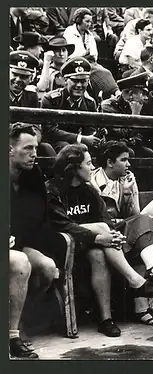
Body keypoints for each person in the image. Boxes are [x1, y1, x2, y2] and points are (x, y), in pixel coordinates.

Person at [45, 144, 153, 337]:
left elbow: (105, 219)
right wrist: (100, 236)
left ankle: (105, 319)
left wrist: (111, 235)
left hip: (90, 245)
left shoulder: (88, 191)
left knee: (99, 252)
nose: (93, 167)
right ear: (74, 168)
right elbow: (62, 225)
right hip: (62, 245)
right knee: (102, 232)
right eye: (88, 163)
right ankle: (136, 281)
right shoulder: (52, 191)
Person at [89, 141, 153, 326]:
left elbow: (135, 215)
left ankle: (152, 271)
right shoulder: (93, 181)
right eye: (124, 160)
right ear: (110, 162)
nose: (128, 165)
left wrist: (127, 194)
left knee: (144, 229)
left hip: (122, 229)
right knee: (142, 232)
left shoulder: (128, 180)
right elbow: (99, 217)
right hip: (100, 232)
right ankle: (143, 301)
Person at [9, 123, 60, 359]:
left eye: (36, 148)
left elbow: (39, 216)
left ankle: (19, 318)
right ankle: (12, 337)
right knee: (20, 263)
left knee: (48, 267)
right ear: (9, 149)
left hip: (18, 242)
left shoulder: (34, 175)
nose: (34, 154)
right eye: (28, 148)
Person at [41, 56, 102, 153]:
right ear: (65, 80)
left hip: (77, 144)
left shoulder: (89, 103)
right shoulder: (52, 99)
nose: (79, 85)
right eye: (75, 80)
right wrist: (81, 139)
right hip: (54, 144)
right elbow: (50, 131)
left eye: (83, 81)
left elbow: (89, 130)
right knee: (67, 147)